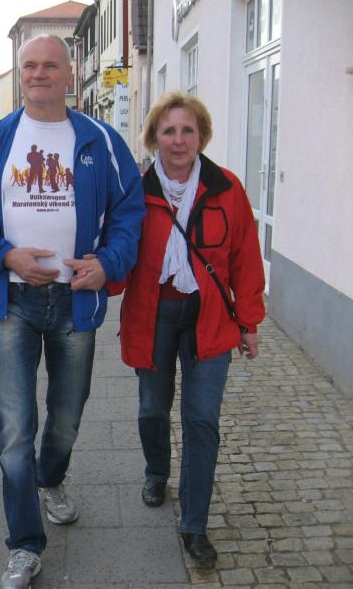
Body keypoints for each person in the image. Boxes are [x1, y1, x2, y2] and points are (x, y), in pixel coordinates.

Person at [0, 35, 145, 589]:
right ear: (20, 72)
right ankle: (24, 545)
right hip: (12, 301)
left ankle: (50, 478)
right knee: (15, 430)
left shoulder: (101, 140)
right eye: (29, 65)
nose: (39, 74)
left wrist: (107, 263)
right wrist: (4, 256)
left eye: (50, 65)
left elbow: (130, 212)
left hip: (75, 300)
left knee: (66, 417)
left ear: (69, 72)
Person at [114, 91, 265, 568]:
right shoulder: (135, 192)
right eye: (168, 131)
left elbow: (245, 258)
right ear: (153, 138)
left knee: (202, 420)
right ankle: (157, 471)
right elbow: (119, 254)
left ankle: (195, 525)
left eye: (187, 130)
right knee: (152, 408)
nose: (178, 140)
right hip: (153, 313)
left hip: (210, 317)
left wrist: (250, 322)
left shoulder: (227, 188)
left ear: (201, 136)